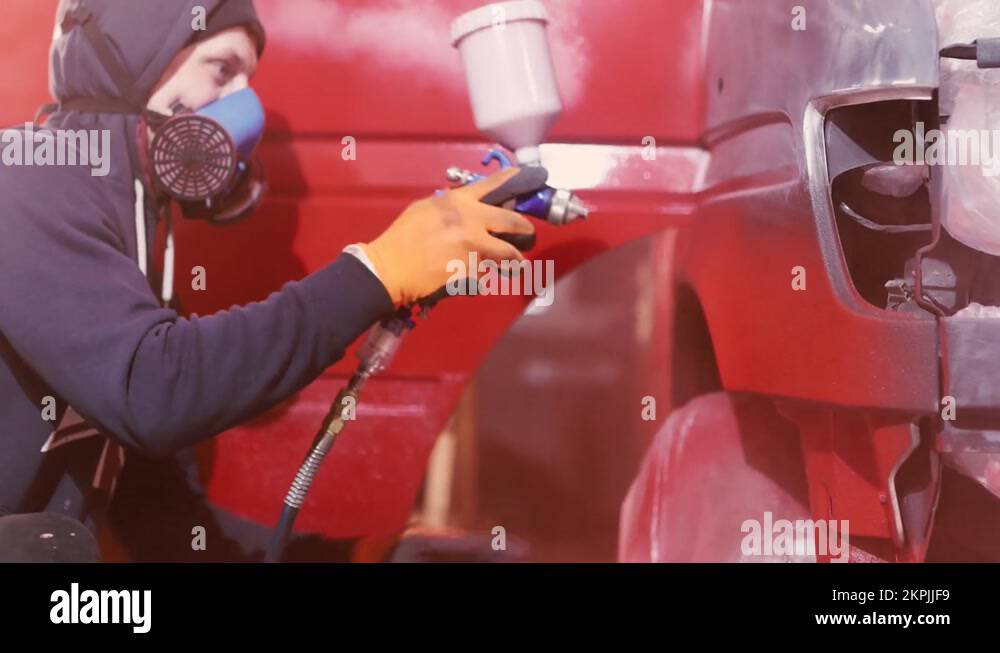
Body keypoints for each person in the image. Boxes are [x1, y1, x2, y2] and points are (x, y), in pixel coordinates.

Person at [0, 0, 534, 559]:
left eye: (248, 81)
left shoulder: (138, 255)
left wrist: (367, 556)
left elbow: (166, 523)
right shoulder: (23, 175)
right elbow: (155, 391)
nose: (243, 108)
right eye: (222, 69)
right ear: (135, 57)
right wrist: (377, 274)